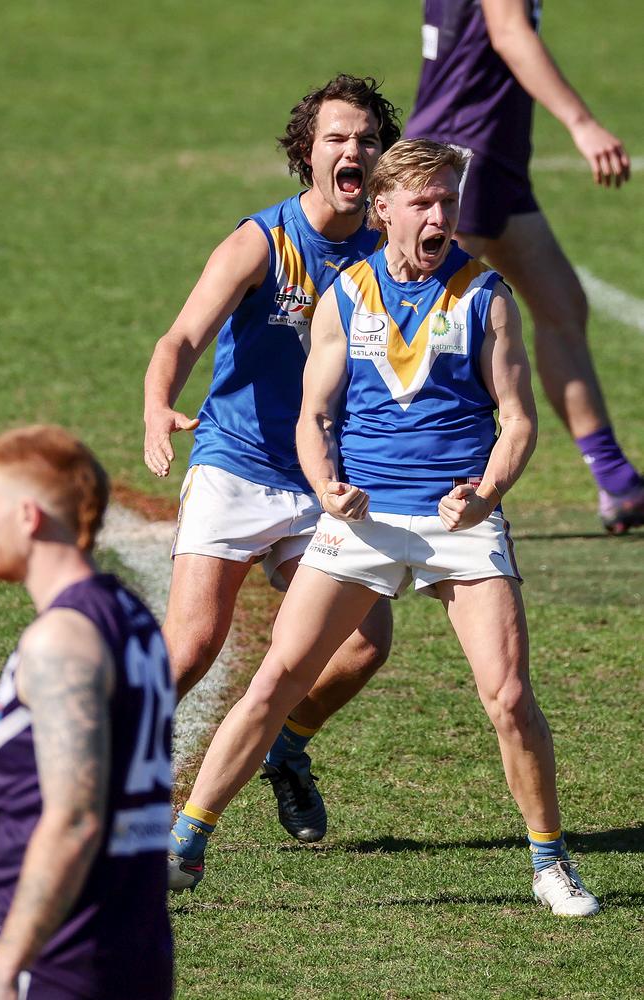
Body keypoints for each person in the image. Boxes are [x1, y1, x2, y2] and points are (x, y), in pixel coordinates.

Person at [165, 139, 601, 917]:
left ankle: (551, 862)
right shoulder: (348, 296)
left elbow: (520, 422)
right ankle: (186, 843)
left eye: (447, 202)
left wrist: (488, 490)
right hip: (362, 521)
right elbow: (314, 415)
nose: (439, 216)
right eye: (424, 203)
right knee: (276, 679)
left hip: (456, 520)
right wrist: (326, 486)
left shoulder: (485, 297)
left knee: (507, 696)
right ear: (385, 211)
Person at [143, 75, 400, 887]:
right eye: (336, 138)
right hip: (237, 463)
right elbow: (183, 334)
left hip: (324, 480)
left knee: (364, 646)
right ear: (308, 152)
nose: (351, 150)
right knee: (190, 649)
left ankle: (286, 744)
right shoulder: (265, 239)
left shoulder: (388, 251)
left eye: (364, 138)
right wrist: (158, 404)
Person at [405, 0, 643, 535]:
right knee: (421, 322)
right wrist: (582, 124)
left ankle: (617, 480)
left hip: (492, 154)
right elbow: (508, 31)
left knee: (561, 304)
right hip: (468, 152)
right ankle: (370, 478)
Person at [0, 425, 174, 999]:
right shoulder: (131, 617)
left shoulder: (62, 641)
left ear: (28, 515)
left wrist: (6, 965)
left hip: (61, 957)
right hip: (133, 944)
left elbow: (73, 819)